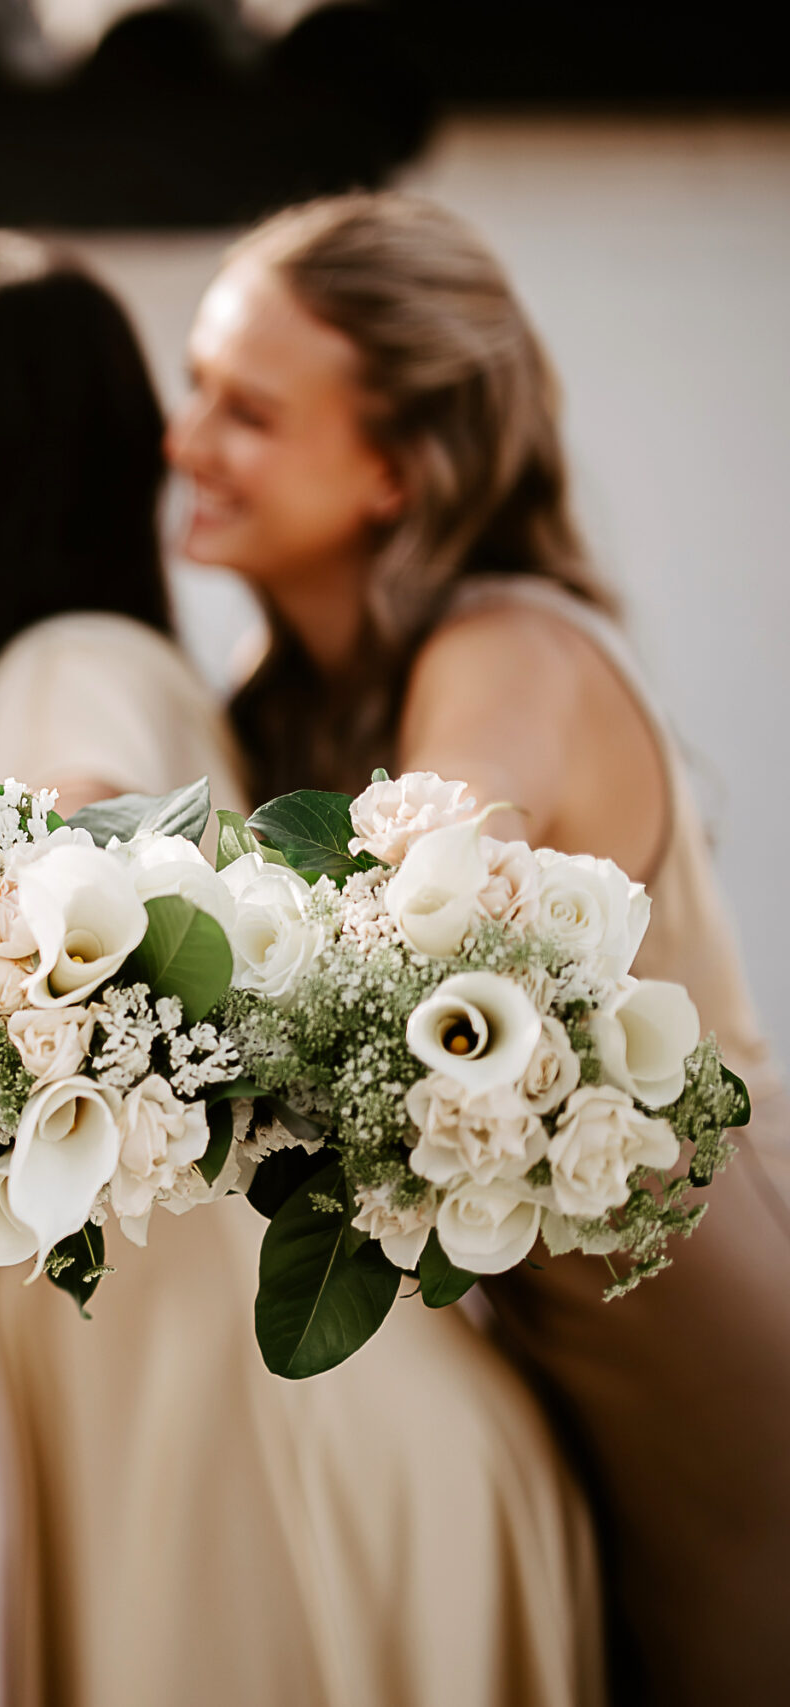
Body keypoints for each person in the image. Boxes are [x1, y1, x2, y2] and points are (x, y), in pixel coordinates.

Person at [0, 230, 603, 1707]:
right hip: (187, 1438)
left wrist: (30, 905)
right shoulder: (181, 690)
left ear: (29, 475)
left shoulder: (76, 658)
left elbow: (76, 807)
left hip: (265, 1455)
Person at [174, 190, 790, 1707]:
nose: (188, 439)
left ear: (395, 467)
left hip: (701, 1353)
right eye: (196, 388)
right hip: (531, 1343)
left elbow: (416, 918)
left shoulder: (505, 649)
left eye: (246, 411)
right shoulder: (270, 714)